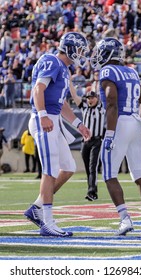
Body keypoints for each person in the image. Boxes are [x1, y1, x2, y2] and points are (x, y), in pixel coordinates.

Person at [91, 37, 141, 236]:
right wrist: (139, 123)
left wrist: (111, 133)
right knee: (139, 175)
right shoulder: (131, 71)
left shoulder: (107, 71)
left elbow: (111, 101)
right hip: (134, 121)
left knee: (109, 174)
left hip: (119, 122)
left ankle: (125, 219)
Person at [24, 32, 91, 237]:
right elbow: (38, 89)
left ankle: (36, 208)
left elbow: (61, 103)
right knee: (50, 168)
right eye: (79, 50)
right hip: (43, 119)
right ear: (69, 48)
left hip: (53, 119)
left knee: (68, 167)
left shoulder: (63, 69)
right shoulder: (51, 61)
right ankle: (48, 221)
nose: (80, 54)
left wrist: (78, 124)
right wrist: (43, 115)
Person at [70, 81, 106, 201]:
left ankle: (92, 192)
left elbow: (104, 96)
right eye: (88, 98)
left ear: (97, 98)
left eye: (92, 98)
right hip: (85, 142)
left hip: (97, 141)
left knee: (92, 167)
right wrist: (69, 83)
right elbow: (75, 96)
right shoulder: (84, 107)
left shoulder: (101, 108)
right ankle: (92, 189)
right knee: (87, 168)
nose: (90, 100)